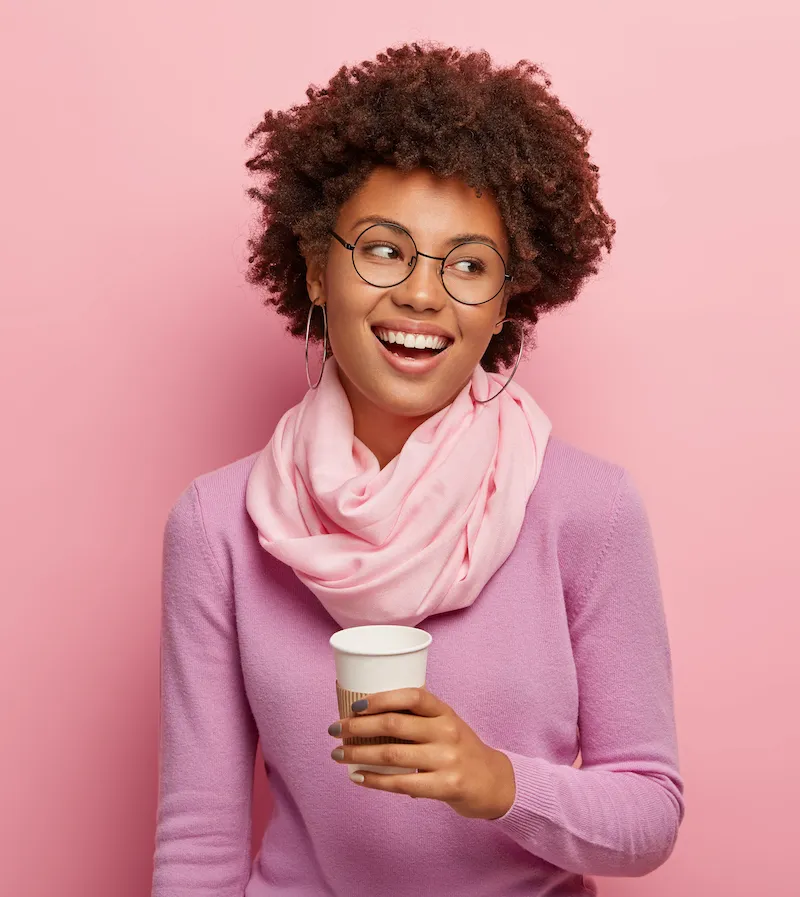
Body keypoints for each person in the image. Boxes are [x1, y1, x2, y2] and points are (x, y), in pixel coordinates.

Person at [151, 41, 685, 897]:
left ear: (507, 300)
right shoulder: (218, 524)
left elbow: (649, 813)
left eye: (468, 265)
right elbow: (199, 840)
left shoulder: (589, 508)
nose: (423, 296)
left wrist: (496, 781)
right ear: (318, 270)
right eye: (384, 250)